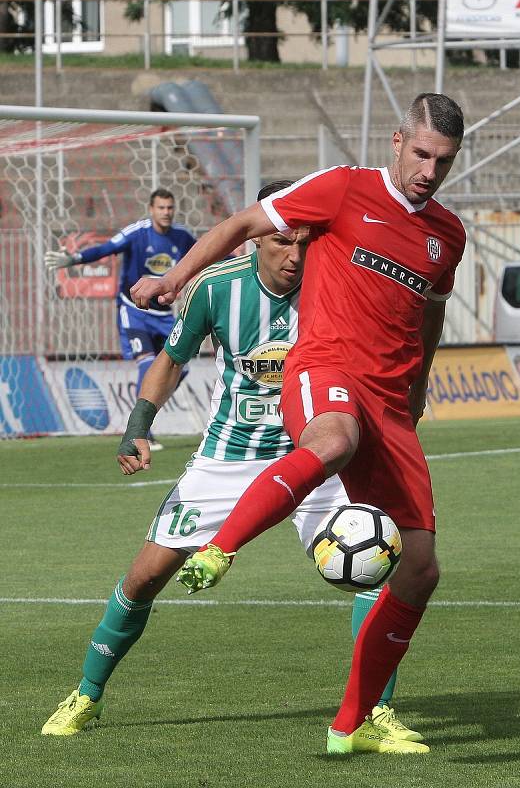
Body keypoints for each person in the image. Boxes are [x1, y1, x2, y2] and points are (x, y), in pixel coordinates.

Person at [130, 94, 467, 755]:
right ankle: (220, 548)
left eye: (443, 161)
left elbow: (430, 315)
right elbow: (241, 223)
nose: (428, 171)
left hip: (391, 403)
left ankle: (350, 725)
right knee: (333, 440)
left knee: (420, 568)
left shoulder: (446, 236)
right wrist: (177, 277)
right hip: (325, 365)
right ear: (397, 142)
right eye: (421, 154)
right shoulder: (342, 189)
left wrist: (419, 385)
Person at [41, 181, 418, 744]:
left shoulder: (333, 284)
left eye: (305, 244)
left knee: (376, 565)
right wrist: (136, 429)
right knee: (145, 576)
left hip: (314, 453)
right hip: (230, 456)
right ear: (253, 240)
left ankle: (371, 712)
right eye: (283, 242)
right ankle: (87, 694)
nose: (295, 257)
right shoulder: (216, 289)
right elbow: (171, 362)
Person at [44, 188, 196, 450]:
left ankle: (148, 409)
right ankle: (141, 431)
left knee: (179, 367)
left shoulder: (181, 236)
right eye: (161, 208)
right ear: (151, 209)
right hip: (134, 310)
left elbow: (207, 253)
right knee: (147, 365)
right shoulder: (137, 232)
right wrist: (73, 258)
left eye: (170, 208)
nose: (166, 213)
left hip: (164, 314)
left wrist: (237, 260)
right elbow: (107, 248)